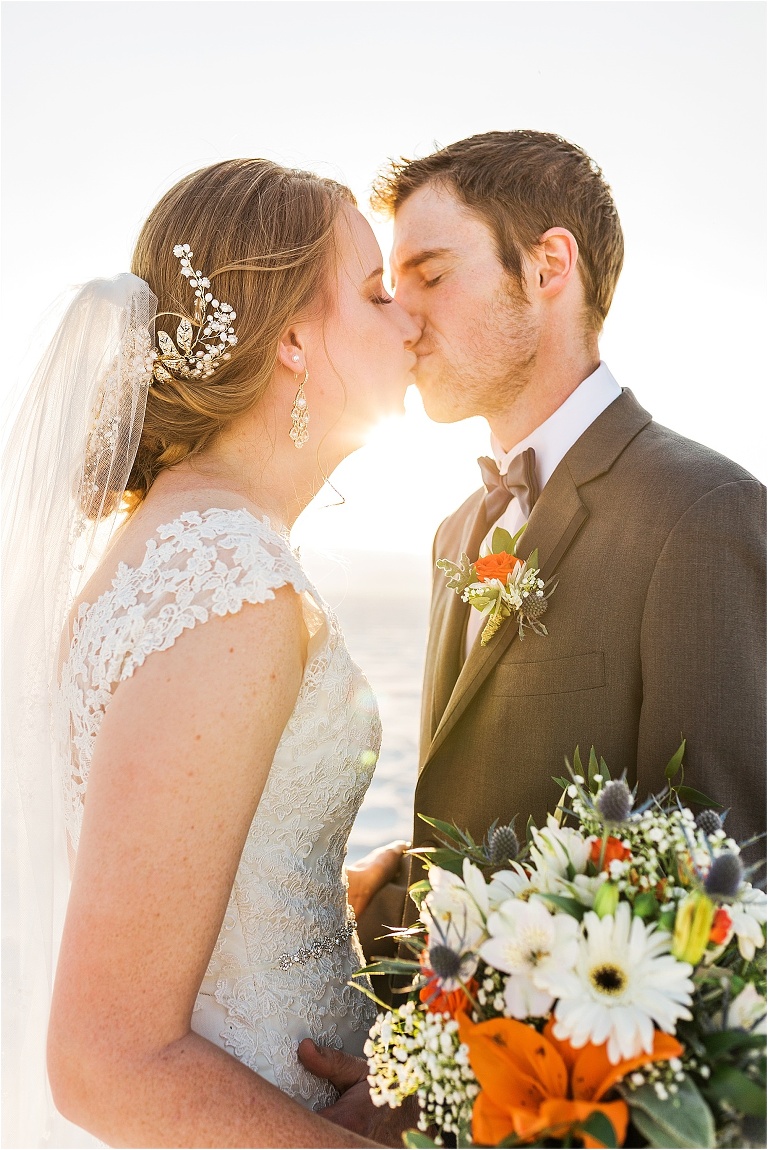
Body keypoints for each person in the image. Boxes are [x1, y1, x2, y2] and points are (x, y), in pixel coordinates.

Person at [300, 129, 767, 1136]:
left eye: (429, 270)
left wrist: (459, 1083)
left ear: (548, 266)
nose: (402, 313)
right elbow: (483, 812)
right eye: (391, 280)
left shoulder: (704, 510)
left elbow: (730, 899)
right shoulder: (453, 533)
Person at [2, 158, 418, 1148]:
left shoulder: (182, 544)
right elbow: (106, 1063)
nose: (409, 320)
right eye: (374, 294)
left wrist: (354, 889)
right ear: (289, 342)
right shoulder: (228, 589)